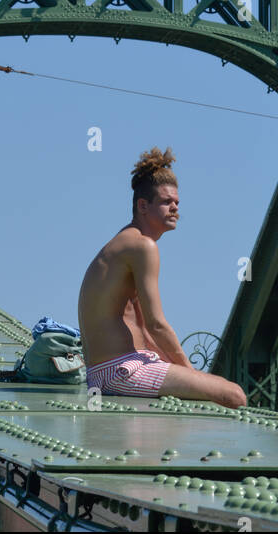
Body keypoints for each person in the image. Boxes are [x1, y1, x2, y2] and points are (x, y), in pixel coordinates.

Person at [78, 148, 246, 408]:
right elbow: (157, 324)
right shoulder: (143, 246)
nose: (175, 208)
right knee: (233, 395)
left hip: (107, 371)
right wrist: (192, 372)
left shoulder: (123, 243)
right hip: (120, 371)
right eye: (167, 202)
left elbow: (144, 326)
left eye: (177, 202)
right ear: (143, 206)